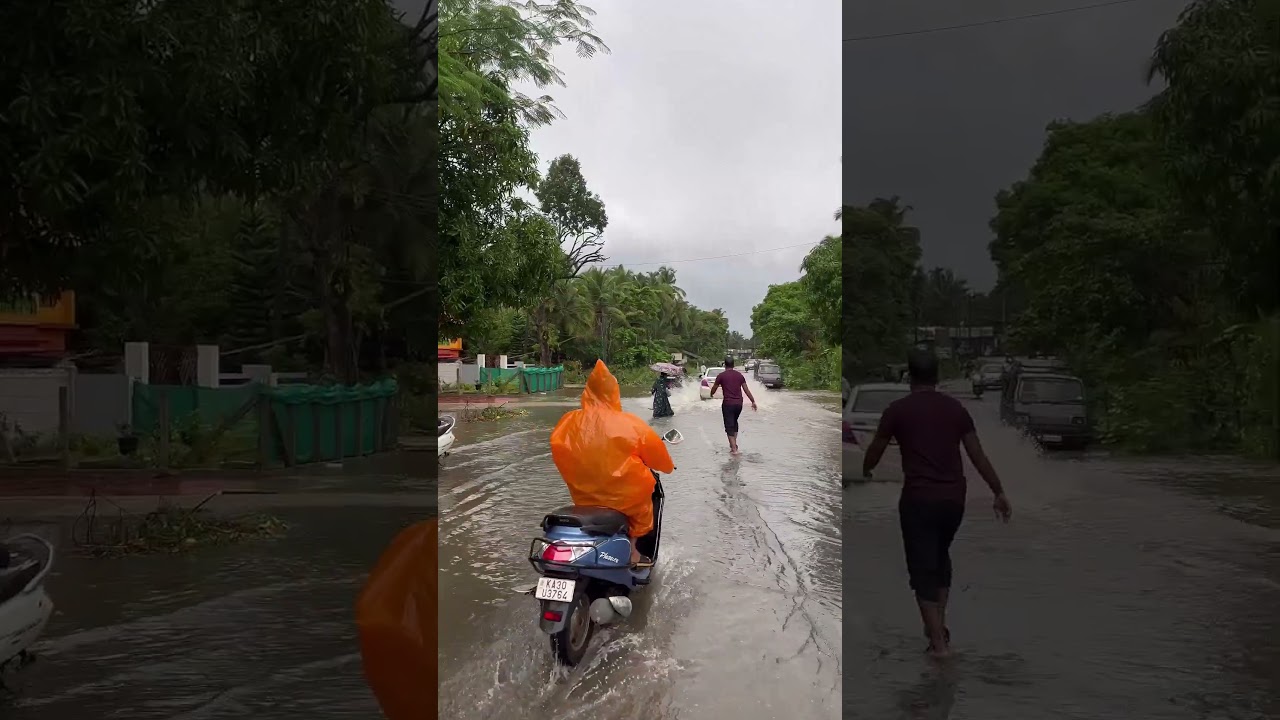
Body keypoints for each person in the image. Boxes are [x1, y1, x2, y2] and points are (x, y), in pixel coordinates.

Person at [860, 348, 1012, 659]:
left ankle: (939, 647)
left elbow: (875, 448)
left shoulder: (897, 410)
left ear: (909, 377)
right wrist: (998, 491)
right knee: (940, 558)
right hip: (954, 500)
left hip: (918, 499)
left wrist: (866, 469)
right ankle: (938, 629)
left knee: (922, 569)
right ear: (938, 376)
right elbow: (977, 455)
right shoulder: (956, 410)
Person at [551, 360, 676, 565]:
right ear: (614, 393)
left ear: (588, 391)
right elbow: (660, 460)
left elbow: (558, 448)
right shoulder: (630, 423)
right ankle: (634, 551)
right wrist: (668, 467)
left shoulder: (568, 420)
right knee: (642, 506)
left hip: (584, 497)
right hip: (623, 500)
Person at [709, 356, 757, 455]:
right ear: (733, 365)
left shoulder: (721, 376)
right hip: (739, 404)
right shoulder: (739, 375)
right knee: (734, 422)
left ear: (725, 364)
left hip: (728, 403)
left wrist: (711, 394)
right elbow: (746, 389)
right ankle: (733, 445)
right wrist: (753, 401)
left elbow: (714, 388)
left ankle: (734, 449)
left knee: (729, 425)